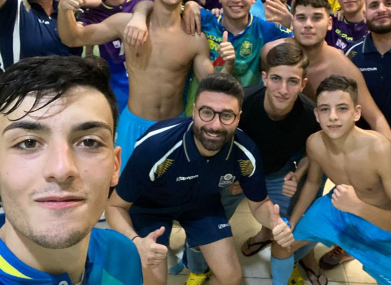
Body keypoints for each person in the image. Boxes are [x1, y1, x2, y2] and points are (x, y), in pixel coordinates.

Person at [106, 73, 294, 285]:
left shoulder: (245, 154)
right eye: (207, 112)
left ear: (238, 117)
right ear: (194, 111)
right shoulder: (156, 147)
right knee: (154, 281)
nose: (215, 125)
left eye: (226, 115)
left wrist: (276, 223)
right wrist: (135, 241)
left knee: (231, 278)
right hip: (150, 208)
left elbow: (259, 204)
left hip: (202, 205)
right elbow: (115, 207)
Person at [57, 0, 234, 170]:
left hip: (173, 128)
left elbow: (211, 86)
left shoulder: (195, 38)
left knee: (169, 189)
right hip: (133, 125)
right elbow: (73, 38)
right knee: (124, 188)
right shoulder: (126, 24)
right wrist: (64, 7)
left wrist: (227, 65)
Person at [185, 42, 325, 285]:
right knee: (200, 221)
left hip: (276, 173)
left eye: (292, 81)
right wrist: (231, 174)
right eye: (276, 79)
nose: (283, 89)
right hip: (233, 173)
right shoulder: (242, 104)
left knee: (288, 229)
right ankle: (197, 270)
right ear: (264, 77)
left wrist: (299, 172)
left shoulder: (309, 113)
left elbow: (311, 151)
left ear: (303, 84)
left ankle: (286, 264)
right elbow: (212, 143)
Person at [0, 55, 142, 284]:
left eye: (89, 142)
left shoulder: (123, 255)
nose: (61, 169)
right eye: (28, 143)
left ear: (115, 166)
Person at [271, 75, 391, 285]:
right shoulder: (315, 143)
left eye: (342, 108)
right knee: (281, 244)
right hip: (338, 211)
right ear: (317, 114)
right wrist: (292, 223)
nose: (333, 117)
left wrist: (357, 207)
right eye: (325, 109)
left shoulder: (381, 149)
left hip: (383, 225)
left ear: (356, 112)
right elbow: (313, 183)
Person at [319, 0, 391, 270]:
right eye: (374, 5)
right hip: (360, 150)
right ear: (365, 13)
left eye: (389, 3)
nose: (381, 10)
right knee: (357, 200)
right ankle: (349, 245)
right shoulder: (353, 54)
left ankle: (390, 256)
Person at [283, 0, 391, 141]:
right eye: (301, 18)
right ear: (292, 22)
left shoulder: (342, 67)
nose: (308, 25)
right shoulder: (271, 53)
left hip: (326, 142)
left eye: (316, 18)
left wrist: (390, 151)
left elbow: (375, 118)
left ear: (329, 23)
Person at [74, 0, 155, 112]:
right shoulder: (91, 16)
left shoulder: (149, 1)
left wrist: (190, 6)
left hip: (155, 102)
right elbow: (72, 36)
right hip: (116, 104)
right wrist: (66, 2)